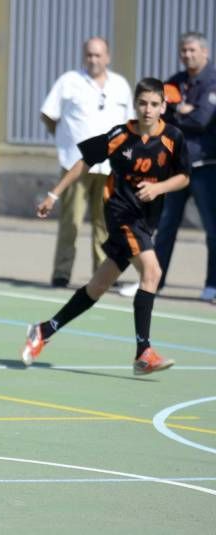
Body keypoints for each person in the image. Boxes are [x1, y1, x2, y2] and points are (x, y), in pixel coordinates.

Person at [23, 78, 190, 375]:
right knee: (152, 272)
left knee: (98, 286)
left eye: (154, 104)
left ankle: (44, 330)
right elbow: (83, 162)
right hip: (121, 214)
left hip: (145, 220)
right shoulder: (120, 136)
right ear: (135, 105)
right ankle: (144, 352)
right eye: (142, 103)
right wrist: (53, 195)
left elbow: (184, 177)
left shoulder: (173, 138)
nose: (148, 110)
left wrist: (159, 188)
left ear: (163, 106)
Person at [121, 32, 216, 301]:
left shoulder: (212, 81)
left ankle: (212, 285)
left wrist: (181, 112)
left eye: (192, 50)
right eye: (183, 50)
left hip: (206, 166)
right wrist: (179, 111)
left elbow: (201, 120)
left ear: (205, 53)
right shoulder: (174, 82)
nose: (187, 55)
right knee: (164, 226)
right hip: (174, 169)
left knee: (212, 229)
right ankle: (153, 283)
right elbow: (158, 117)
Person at [40, 37, 134, 288]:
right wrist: (65, 139)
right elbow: (49, 115)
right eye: (89, 55)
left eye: (98, 55)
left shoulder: (120, 85)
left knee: (105, 224)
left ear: (108, 57)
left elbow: (130, 125)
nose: (94, 60)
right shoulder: (69, 81)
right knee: (70, 221)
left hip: (110, 167)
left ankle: (102, 275)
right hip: (76, 164)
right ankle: (62, 272)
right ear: (84, 56)